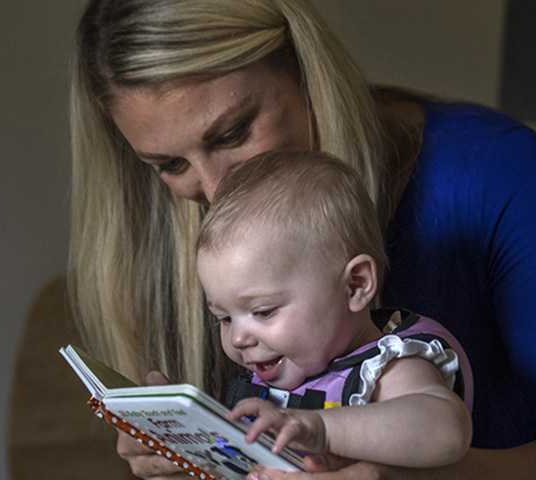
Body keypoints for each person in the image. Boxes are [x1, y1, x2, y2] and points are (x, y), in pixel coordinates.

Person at [68, 0, 536, 478]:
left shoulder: (500, 177)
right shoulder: (212, 281)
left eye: (232, 133)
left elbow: (441, 431)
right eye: (171, 165)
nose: (215, 192)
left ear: (304, 71)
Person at [196, 151, 473, 469]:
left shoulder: (390, 367)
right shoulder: (275, 378)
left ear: (355, 286)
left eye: (264, 311)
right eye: (225, 318)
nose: (239, 337)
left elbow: (447, 432)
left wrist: (324, 429)